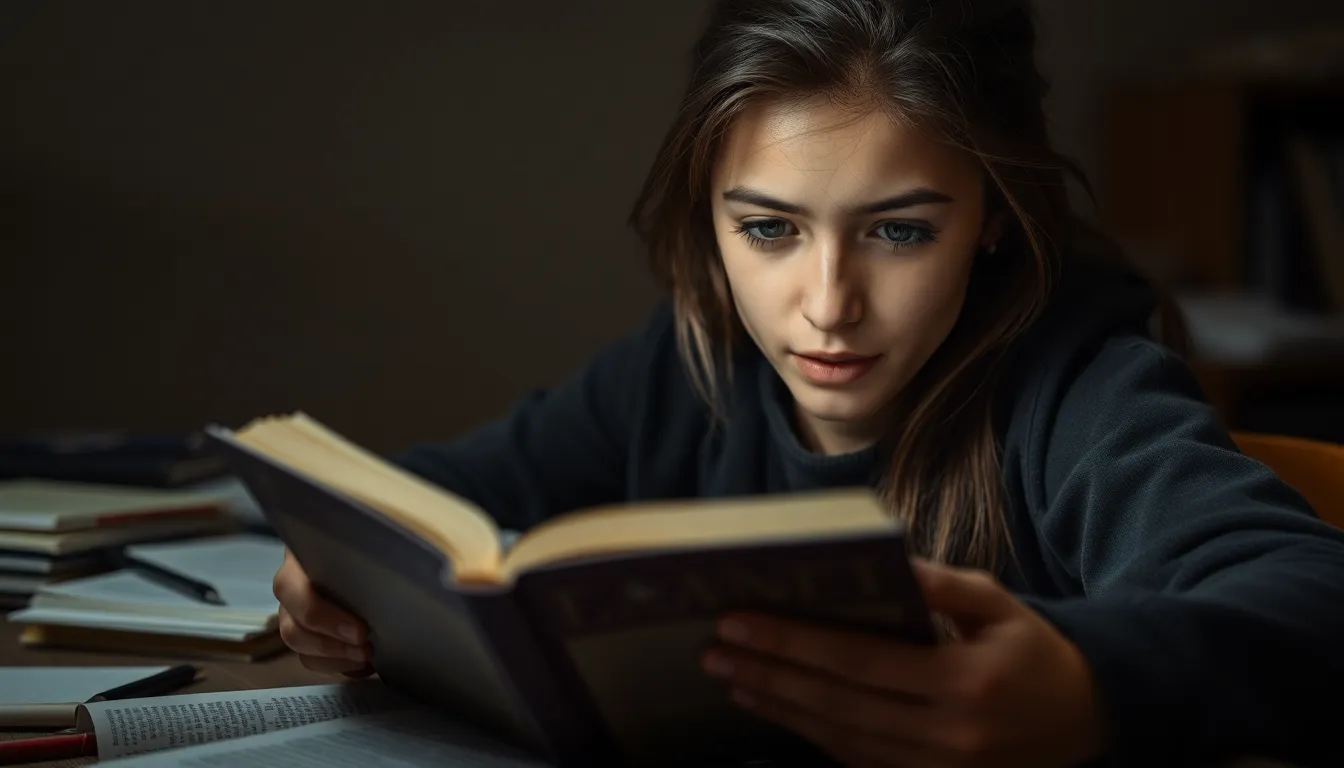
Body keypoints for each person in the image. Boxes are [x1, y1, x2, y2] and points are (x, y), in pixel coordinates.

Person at [270, 0, 1344, 766]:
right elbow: (437, 495)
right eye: (771, 229)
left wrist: (1086, 688)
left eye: (901, 231)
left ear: (994, 221)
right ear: (710, 218)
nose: (828, 304)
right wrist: (337, 568)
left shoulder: (1079, 391)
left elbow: (1313, 598)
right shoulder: (689, 362)